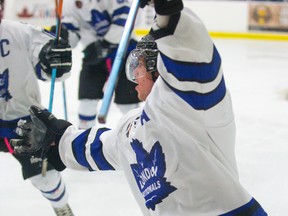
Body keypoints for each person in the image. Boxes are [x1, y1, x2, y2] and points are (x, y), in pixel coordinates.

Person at [12, 0, 268, 215]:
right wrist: (59, 139)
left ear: (159, 68)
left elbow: (191, 51)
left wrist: (167, 11)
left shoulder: (197, 104)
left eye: (140, 64)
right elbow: (100, 147)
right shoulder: (132, 127)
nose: (134, 71)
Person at [0, 0, 75, 215]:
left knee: (45, 177)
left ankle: (61, 207)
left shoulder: (20, 33)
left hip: (22, 120)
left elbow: (51, 69)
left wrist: (56, 59)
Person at [54, 0, 141, 129]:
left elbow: (125, 22)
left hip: (124, 53)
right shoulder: (69, 4)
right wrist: (64, 38)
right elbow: (73, 34)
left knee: (127, 104)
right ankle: (83, 136)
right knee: (86, 100)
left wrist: (104, 45)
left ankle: (137, 133)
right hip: (93, 56)